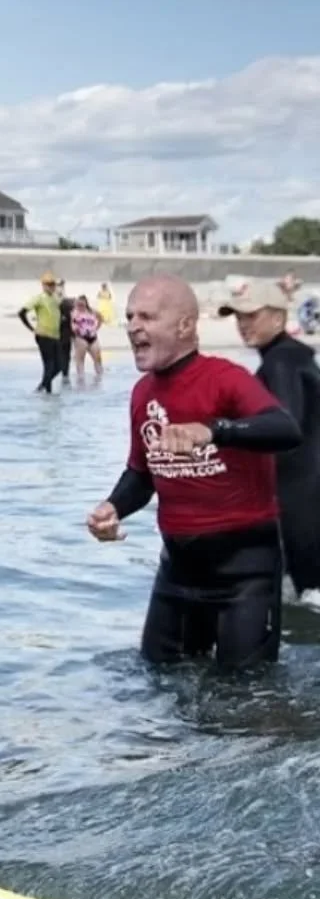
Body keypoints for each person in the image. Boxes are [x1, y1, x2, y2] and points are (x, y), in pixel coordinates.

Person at [86, 275, 301, 669]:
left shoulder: (225, 378)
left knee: (243, 698)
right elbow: (142, 472)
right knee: (155, 678)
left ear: (184, 325)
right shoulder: (143, 394)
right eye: (130, 316)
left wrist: (214, 430)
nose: (133, 325)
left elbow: (286, 429)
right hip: (178, 572)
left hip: (244, 573)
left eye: (147, 316)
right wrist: (113, 507)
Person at [220, 281, 320, 597]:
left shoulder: (280, 362)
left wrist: (223, 433)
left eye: (251, 316)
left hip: (300, 502)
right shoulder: (292, 358)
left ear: (278, 318)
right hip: (307, 492)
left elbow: (285, 429)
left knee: (307, 592)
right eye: (238, 317)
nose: (242, 324)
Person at [18, 272, 64, 393]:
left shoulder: (54, 299)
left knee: (59, 366)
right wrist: (31, 328)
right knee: (49, 365)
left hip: (55, 335)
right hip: (43, 335)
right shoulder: (39, 298)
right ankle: (42, 389)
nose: (51, 287)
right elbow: (22, 312)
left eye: (53, 284)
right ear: (43, 285)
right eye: (48, 284)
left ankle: (46, 389)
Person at [71, 293, 103, 380]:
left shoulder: (92, 311)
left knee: (98, 359)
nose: (81, 305)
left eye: (82, 303)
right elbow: (71, 323)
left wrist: (97, 328)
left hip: (93, 337)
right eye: (79, 304)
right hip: (81, 337)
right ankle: (81, 379)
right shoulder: (74, 312)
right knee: (80, 360)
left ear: (86, 303)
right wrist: (74, 330)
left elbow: (100, 318)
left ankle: (100, 378)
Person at [56, 280, 74, 384]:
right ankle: (64, 373)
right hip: (63, 333)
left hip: (63, 333)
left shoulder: (60, 293)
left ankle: (64, 373)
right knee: (65, 354)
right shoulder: (59, 293)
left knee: (65, 354)